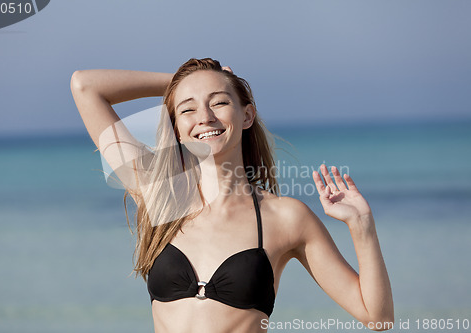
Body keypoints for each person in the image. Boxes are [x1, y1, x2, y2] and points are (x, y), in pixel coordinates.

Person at [70, 58, 394, 333]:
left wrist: (362, 227)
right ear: (176, 128)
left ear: (247, 116)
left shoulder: (286, 218)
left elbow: (378, 317)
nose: (205, 117)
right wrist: (185, 82)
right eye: (188, 109)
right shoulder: (158, 194)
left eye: (220, 102)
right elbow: (85, 86)